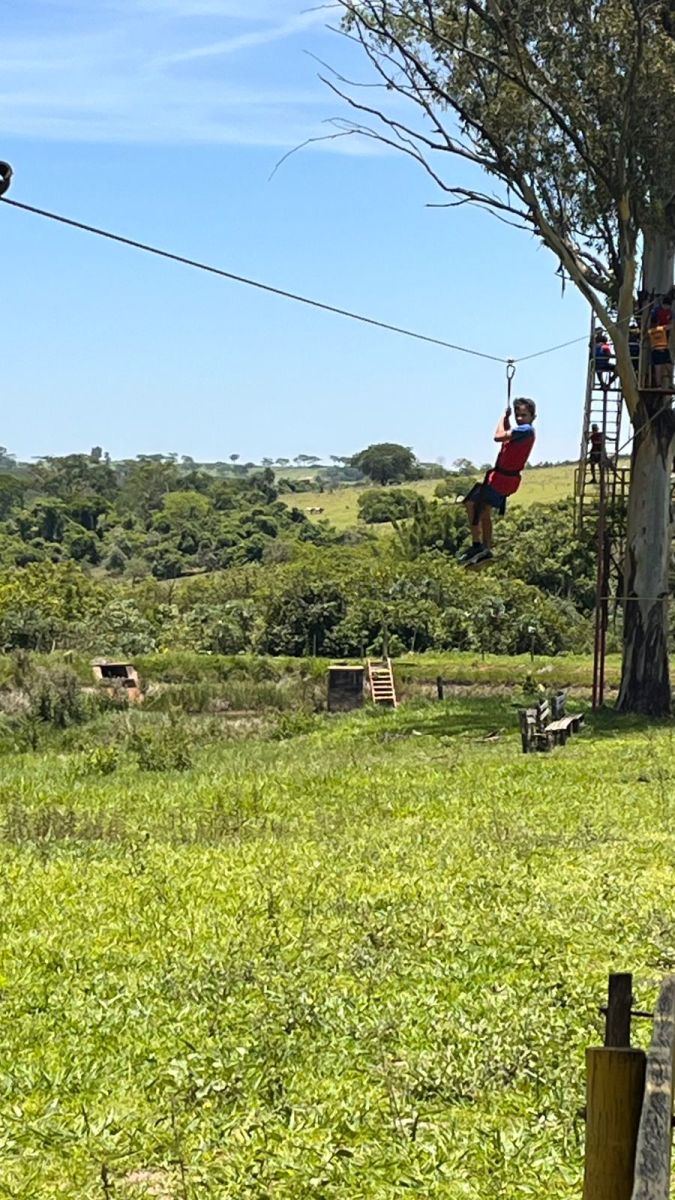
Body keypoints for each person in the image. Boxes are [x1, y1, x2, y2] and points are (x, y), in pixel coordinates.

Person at [459, 398, 537, 566]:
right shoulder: (521, 433)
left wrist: (502, 418)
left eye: (524, 415)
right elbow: (508, 436)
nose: (520, 418)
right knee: (482, 509)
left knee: (472, 504)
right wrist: (508, 420)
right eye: (518, 415)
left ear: (533, 417)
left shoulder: (526, 430)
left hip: (501, 480)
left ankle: (479, 546)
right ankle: (483, 547)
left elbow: (498, 437)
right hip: (504, 480)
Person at [648, 293, 673, 389]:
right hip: (660, 348)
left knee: (664, 366)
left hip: (660, 347)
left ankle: (665, 384)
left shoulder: (651, 331)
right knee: (662, 366)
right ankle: (664, 384)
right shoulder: (661, 328)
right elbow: (669, 326)